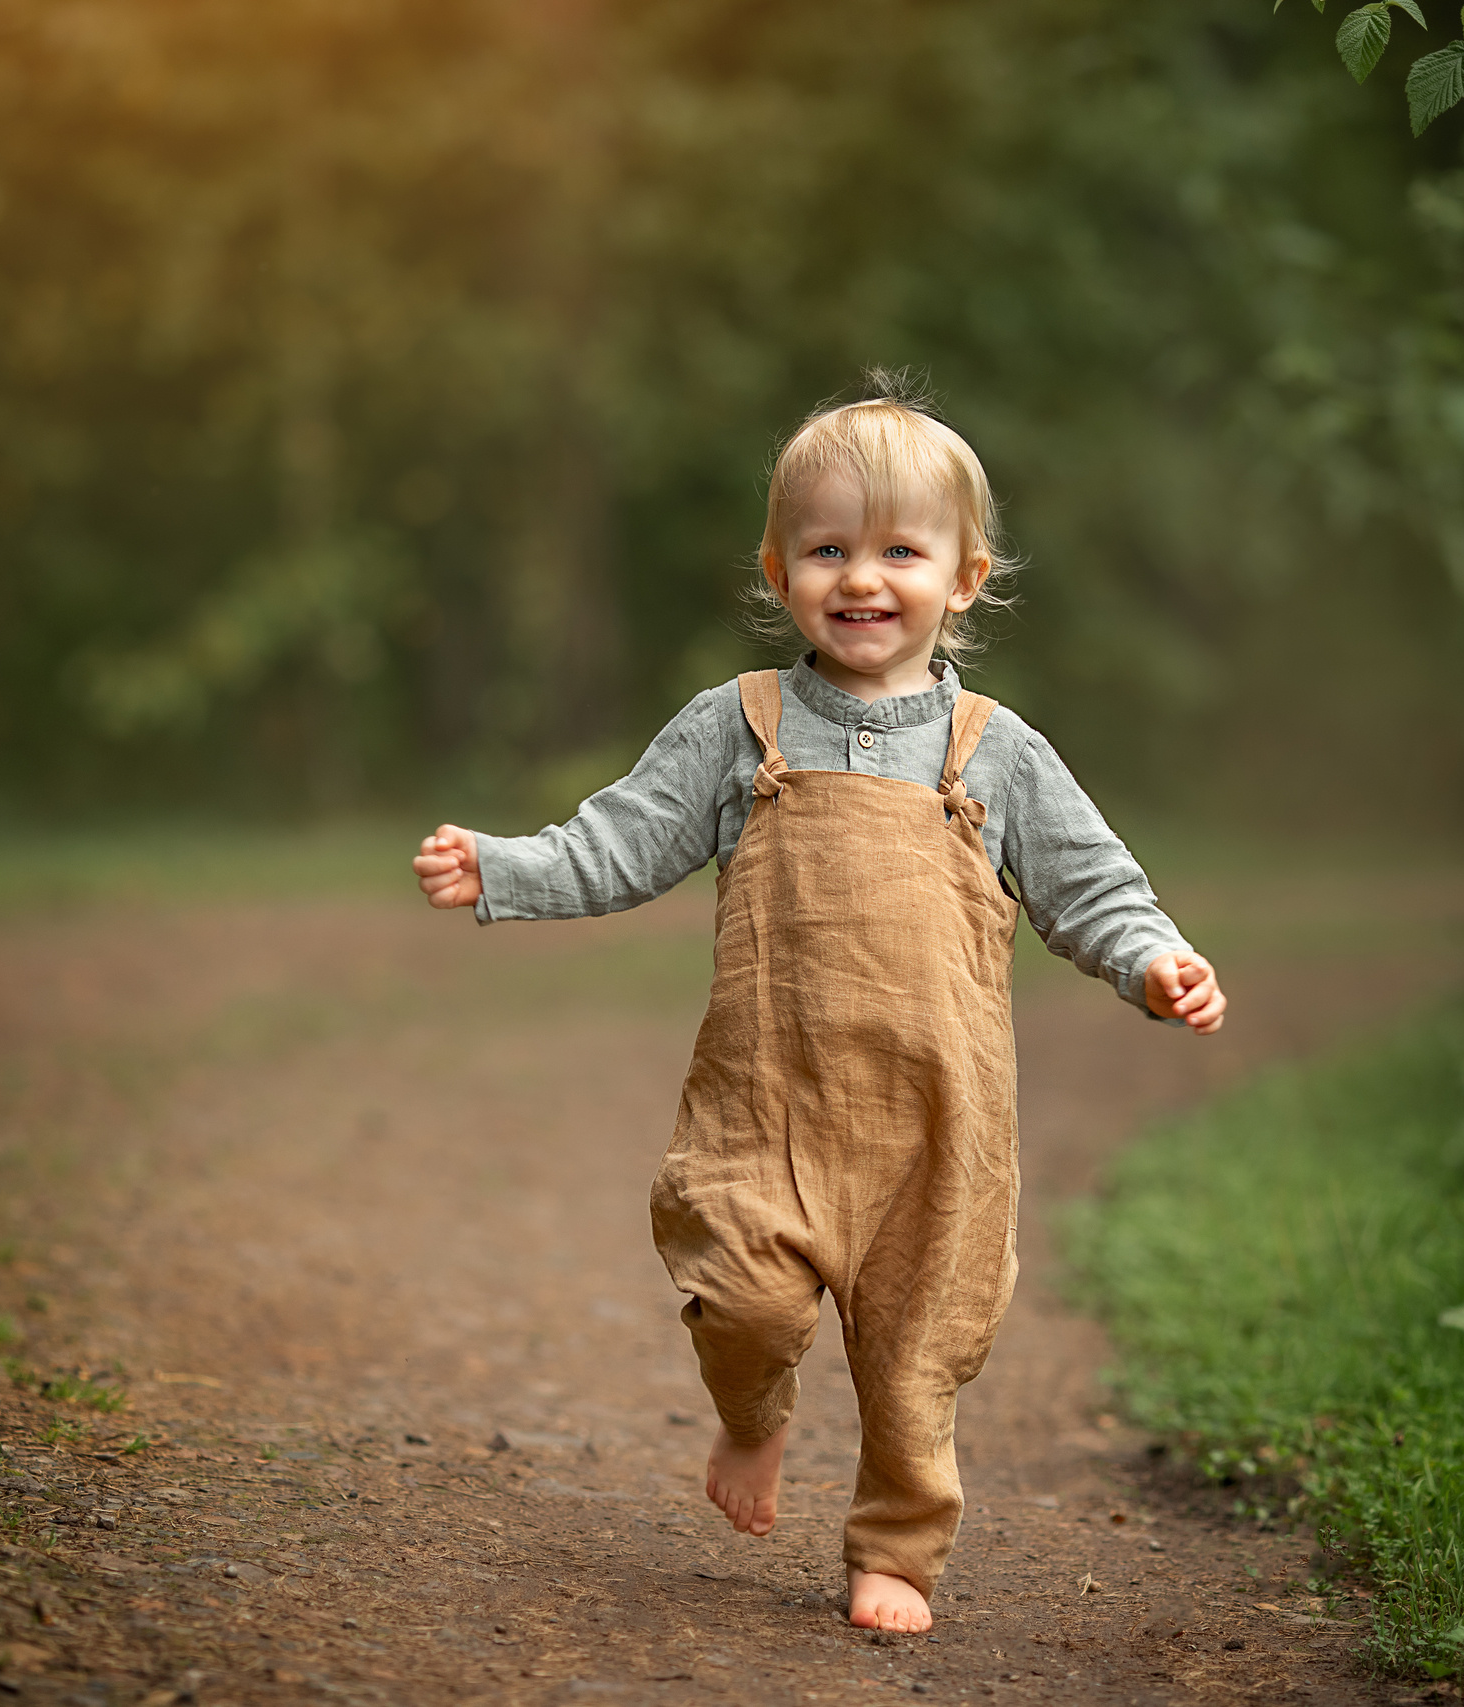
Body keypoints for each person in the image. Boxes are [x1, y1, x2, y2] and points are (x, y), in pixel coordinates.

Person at [411, 377, 1224, 1634]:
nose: (862, 577)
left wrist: (1153, 961)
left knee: (916, 1357)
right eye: (829, 548)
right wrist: (504, 868)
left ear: (964, 578)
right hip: (769, 1100)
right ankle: (753, 1417)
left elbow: (1091, 887)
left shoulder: (992, 750)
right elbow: (620, 842)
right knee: (739, 1297)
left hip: (935, 1123)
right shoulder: (740, 727)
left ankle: (896, 1548)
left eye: (900, 549)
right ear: (779, 567)